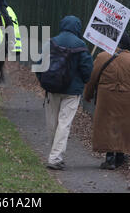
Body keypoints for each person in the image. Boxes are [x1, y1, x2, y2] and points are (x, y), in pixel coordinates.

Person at [83, 33, 130, 170]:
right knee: (123, 126)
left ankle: (109, 158)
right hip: (128, 99)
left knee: (107, 125)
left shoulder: (102, 57)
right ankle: (120, 156)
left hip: (105, 98)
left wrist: (88, 95)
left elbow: (92, 78)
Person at [37, 16, 94, 170]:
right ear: (77, 28)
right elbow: (87, 70)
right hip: (72, 92)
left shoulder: (51, 42)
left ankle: (53, 154)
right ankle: (55, 158)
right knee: (64, 123)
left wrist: (44, 81)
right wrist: (83, 81)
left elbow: (39, 64)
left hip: (52, 89)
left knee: (52, 123)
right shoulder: (81, 45)